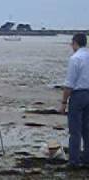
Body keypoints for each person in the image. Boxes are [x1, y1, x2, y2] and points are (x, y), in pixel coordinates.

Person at [59, 33, 89, 168]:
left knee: (75, 130)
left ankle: (74, 160)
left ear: (75, 43)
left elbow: (69, 84)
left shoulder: (75, 58)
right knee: (87, 129)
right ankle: (87, 157)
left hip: (78, 95)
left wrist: (64, 103)